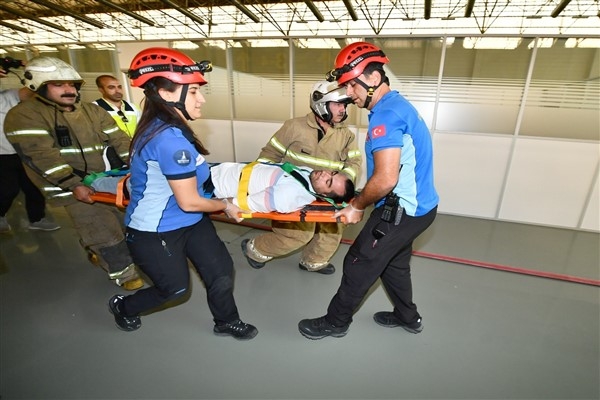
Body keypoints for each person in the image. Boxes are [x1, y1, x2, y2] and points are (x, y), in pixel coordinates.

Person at [107, 47, 257, 339]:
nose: (201, 99)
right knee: (174, 289)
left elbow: (196, 182)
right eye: (193, 92)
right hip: (156, 230)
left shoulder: (170, 127)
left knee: (221, 271)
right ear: (166, 93)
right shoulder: (168, 139)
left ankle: (226, 321)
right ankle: (123, 307)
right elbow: (189, 201)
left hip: (191, 222)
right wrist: (225, 205)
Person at [298, 42, 439, 339]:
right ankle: (407, 317)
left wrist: (357, 205)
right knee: (394, 264)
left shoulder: (387, 116)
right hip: (421, 208)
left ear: (373, 79)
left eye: (351, 85)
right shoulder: (397, 106)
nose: (349, 94)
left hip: (403, 210)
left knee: (359, 261)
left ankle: (336, 322)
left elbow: (387, 178)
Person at [3, 56, 143, 290]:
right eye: (59, 84)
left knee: (123, 222)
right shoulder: (23, 115)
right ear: (38, 84)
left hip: (101, 181)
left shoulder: (91, 111)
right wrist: (73, 184)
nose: (69, 90)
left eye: (72, 84)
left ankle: (93, 246)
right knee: (102, 229)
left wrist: (138, 165)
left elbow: (119, 139)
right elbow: (41, 156)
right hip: (66, 186)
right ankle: (124, 273)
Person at [241, 80, 362, 275]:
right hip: (293, 192)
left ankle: (313, 262)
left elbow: (354, 163)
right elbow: (270, 155)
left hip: (328, 195)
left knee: (332, 231)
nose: (343, 109)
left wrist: (341, 187)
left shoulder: (346, 135)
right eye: (338, 104)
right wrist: (262, 182)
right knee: (296, 235)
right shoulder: (294, 127)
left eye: (344, 105)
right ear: (321, 104)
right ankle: (255, 250)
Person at [87, 161, 355, 213]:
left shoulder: (290, 197)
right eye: (332, 173)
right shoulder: (307, 176)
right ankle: (115, 172)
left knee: (145, 186)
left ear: (323, 194)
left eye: (328, 181)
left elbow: (249, 203)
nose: (324, 174)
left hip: (209, 185)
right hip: (216, 169)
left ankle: (97, 183)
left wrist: (221, 205)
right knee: (156, 169)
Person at [0, 60, 60, 233]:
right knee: (8, 189)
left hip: (26, 154)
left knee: (34, 187)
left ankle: (37, 219)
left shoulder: (35, 104)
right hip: (3, 154)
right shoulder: (4, 98)